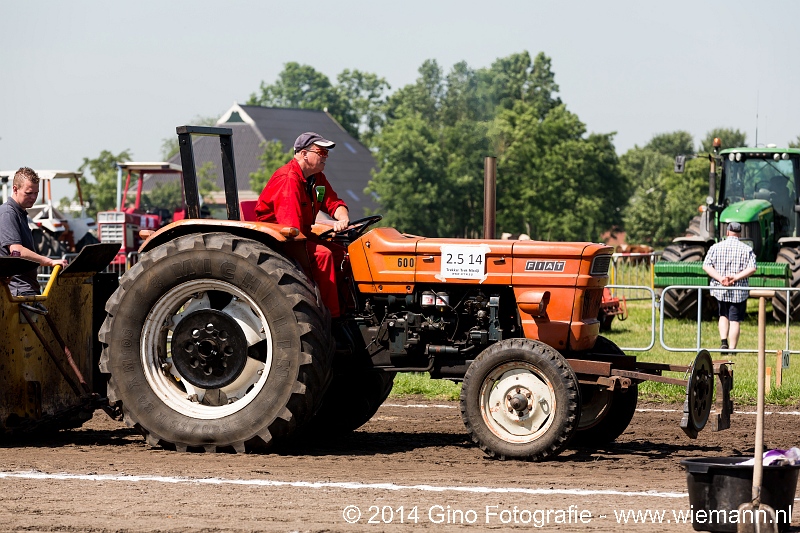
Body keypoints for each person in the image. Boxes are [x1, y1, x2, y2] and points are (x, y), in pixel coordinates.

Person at [255, 132, 350, 318]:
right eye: (321, 152)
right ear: (304, 153)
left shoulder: (317, 179)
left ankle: (350, 310)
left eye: (327, 153)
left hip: (302, 234)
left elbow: (334, 203)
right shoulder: (288, 180)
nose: (326, 156)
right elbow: (291, 232)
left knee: (344, 253)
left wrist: (343, 219)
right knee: (324, 256)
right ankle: (331, 319)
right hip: (280, 242)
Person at [0, 167, 68, 296]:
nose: (33, 198)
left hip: (26, 289)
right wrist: (50, 261)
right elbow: (16, 251)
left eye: (36, 193)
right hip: (17, 293)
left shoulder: (21, 214)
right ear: (15, 189)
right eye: (28, 193)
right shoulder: (8, 213)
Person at [702, 222, 757, 351]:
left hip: (721, 289)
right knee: (735, 319)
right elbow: (752, 268)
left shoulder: (715, 247)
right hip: (738, 290)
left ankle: (723, 342)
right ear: (740, 234)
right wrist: (736, 277)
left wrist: (721, 278)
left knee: (723, 315)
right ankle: (732, 349)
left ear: (727, 233)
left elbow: (706, 265)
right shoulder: (746, 249)